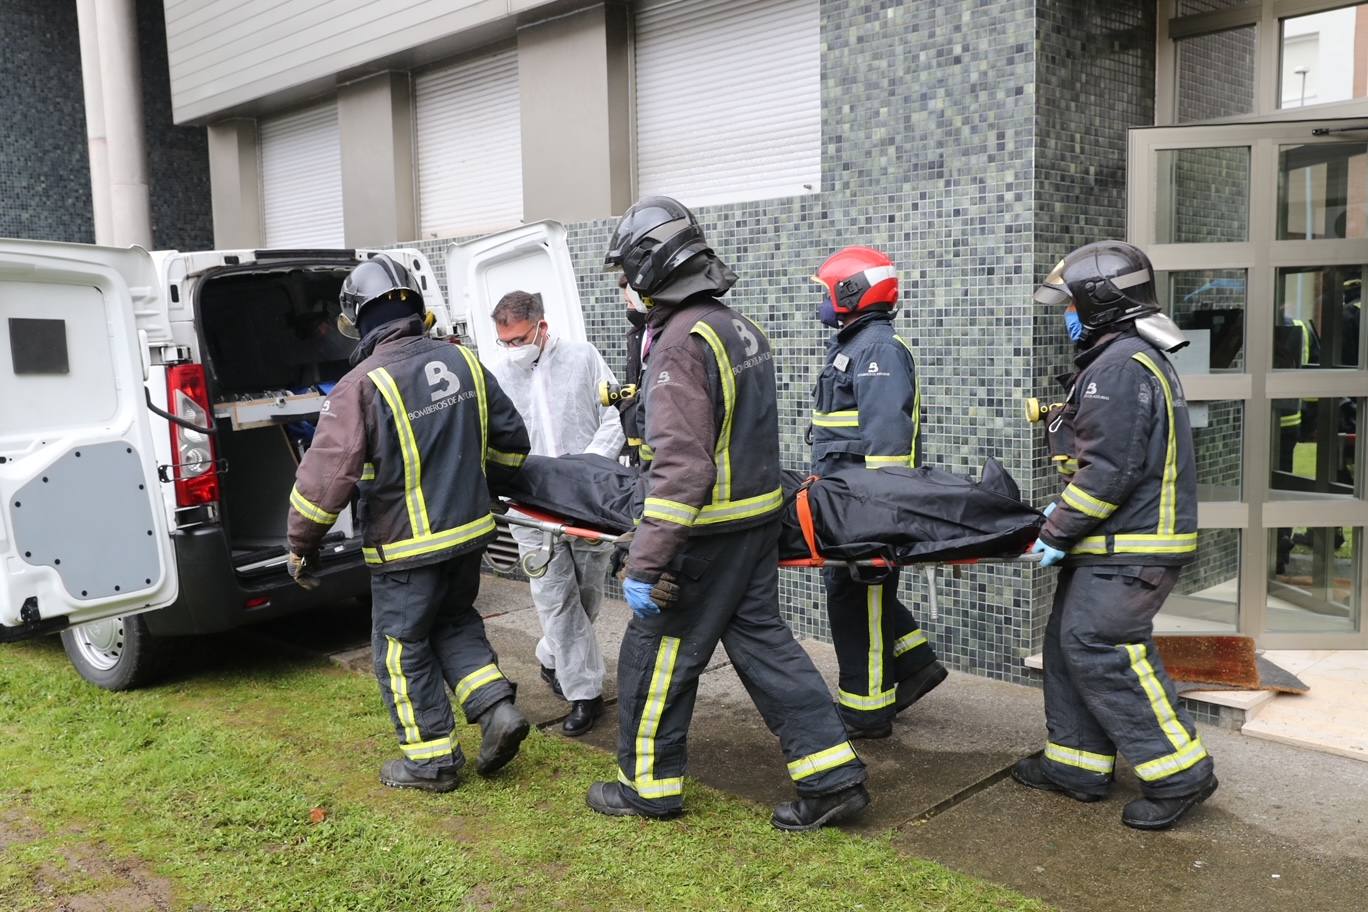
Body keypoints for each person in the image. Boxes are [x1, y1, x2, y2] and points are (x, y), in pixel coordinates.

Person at [586, 195, 870, 831]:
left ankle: (648, 788)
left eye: (626, 276)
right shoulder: (734, 327)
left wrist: (646, 557)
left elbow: (683, 467)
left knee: (655, 655)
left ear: (650, 268)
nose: (626, 290)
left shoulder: (681, 346)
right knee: (767, 647)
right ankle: (832, 780)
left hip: (703, 535)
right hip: (753, 525)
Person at [285, 254, 533, 793]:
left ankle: (433, 761)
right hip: (468, 535)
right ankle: (497, 711)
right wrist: (489, 488)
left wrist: (301, 544)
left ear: (358, 318)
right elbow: (513, 441)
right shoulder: (464, 361)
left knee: (400, 651)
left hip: (405, 548)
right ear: (413, 305)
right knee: (455, 622)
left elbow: (324, 480)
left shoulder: (359, 385)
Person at [1016, 240, 1217, 831]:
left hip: (1133, 544)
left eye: (1072, 303)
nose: (1066, 315)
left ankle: (1181, 774)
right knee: (1067, 643)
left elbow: (1110, 470)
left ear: (1100, 301)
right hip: (1116, 539)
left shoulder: (1118, 368)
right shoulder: (1128, 359)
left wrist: (1057, 527)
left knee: (1102, 647)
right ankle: (1075, 765)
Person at [809, 246, 948, 740]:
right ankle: (916, 665)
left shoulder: (879, 351)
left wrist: (878, 520)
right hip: (842, 499)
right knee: (853, 593)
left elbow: (889, 442)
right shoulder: (856, 344)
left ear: (851, 292)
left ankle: (866, 712)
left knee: (858, 599)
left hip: (861, 508)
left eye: (826, 291)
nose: (822, 301)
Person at [488, 290, 625, 736]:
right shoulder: (500, 374)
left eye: (520, 338)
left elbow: (615, 417)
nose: (513, 349)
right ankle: (584, 694)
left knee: (587, 596)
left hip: (587, 499)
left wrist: (588, 466)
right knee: (555, 598)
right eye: (505, 341)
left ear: (542, 327)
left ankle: (552, 656)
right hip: (530, 503)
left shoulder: (582, 358)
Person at [618, 272, 648, 464]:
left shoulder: (659, 338)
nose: (629, 310)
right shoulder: (637, 337)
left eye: (630, 303)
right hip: (638, 441)